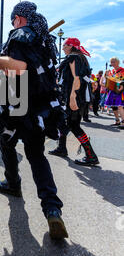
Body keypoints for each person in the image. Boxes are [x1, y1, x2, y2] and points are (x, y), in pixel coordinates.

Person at [0, 1, 68, 240]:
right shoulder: (44, 39)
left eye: (13, 20)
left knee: (7, 145)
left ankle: (13, 183)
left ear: (19, 18)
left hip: (17, 104)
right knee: (36, 155)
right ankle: (52, 207)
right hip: (40, 108)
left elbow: (18, 68)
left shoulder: (20, 34)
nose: (13, 24)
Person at [48, 38, 99, 166]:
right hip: (77, 97)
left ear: (70, 46)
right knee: (64, 122)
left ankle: (91, 155)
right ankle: (61, 148)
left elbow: (77, 79)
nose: (63, 47)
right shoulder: (79, 58)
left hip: (75, 97)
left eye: (65, 45)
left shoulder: (73, 58)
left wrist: (72, 98)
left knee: (74, 125)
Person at [104, 57, 124, 129]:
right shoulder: (111, 71)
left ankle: (123, 122)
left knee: (120, 106)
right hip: (112, 90)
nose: (112, 63)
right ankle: (117, 121)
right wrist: (106, 75)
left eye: (114, 62)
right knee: (113, 106)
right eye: (111, 62)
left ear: (118, 62)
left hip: (120, 90)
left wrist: (122, 86)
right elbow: (108, 81)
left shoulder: (122, 70)